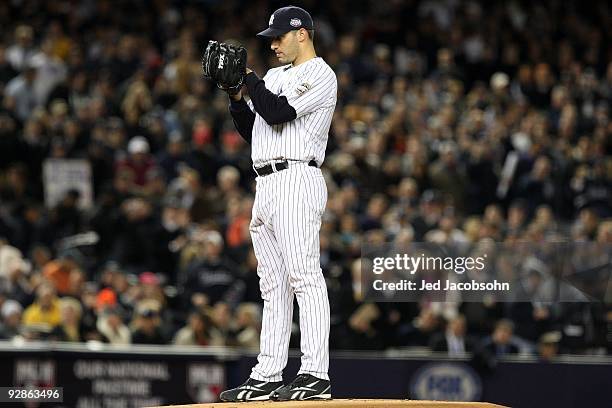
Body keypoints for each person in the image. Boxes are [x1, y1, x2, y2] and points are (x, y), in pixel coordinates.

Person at [219, 5, 337, 402]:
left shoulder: (320, 73)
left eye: (279, 37)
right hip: (265, 184)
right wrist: (237, 95)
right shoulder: (274, 75)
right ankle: (268, 372)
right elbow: (254, 127)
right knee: (272, 285)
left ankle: (315, 373)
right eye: (269, 38)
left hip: (297, 178)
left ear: (302, 33)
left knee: (304, 276)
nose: (272, 44)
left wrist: (249, 79)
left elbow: (279, 110)